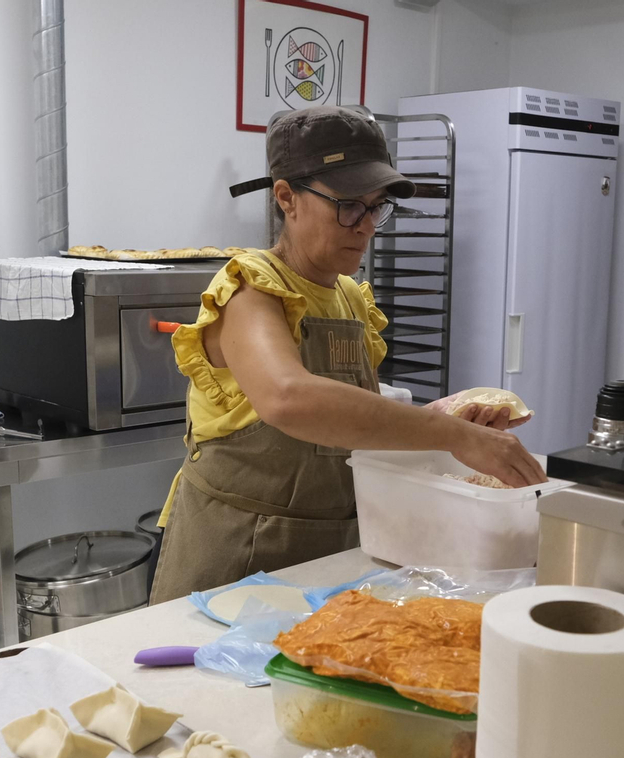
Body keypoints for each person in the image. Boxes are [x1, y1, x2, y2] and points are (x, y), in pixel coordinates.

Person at [148, 106, 543, 603]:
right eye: (350, 205)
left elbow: (350, 431)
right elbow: (289, 399)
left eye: (376, 206)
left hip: (331, 554)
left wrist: (450, 422)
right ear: (287, 198)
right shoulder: (251, 290)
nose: (367, 226)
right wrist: (450, 435)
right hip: (237, 557)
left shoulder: (350, 299)